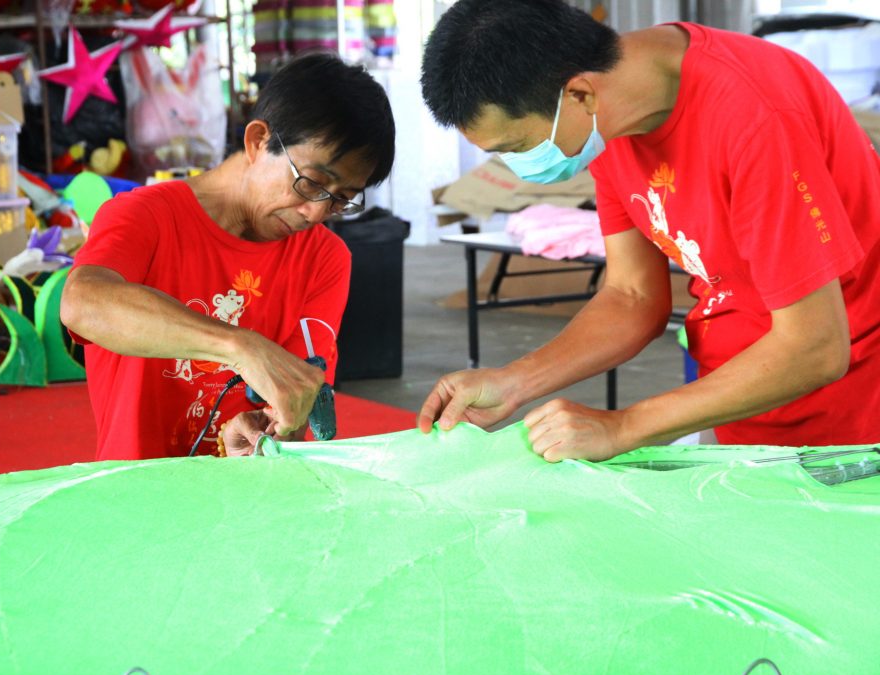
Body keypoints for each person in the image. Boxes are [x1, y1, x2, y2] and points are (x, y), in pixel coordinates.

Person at [418, 0, 880, 461]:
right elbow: (632, 296)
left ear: (579, 95)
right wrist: (515, 381)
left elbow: (816, 346)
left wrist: (625, 427)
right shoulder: (611, 119)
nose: (517, 165)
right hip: (739, 398)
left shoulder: (754, 118)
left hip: (853, 417)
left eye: (517, 147)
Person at [61, 53, 395, 458]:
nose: (316, 213)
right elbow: (83, 303)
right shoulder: (144, 217)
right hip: (134, 494)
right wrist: (238, 346)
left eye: (340, 200)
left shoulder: (325, 257)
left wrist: (265, 433)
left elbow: (301, 390)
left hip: (247, 500)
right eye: (312, 183)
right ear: (257, 141)